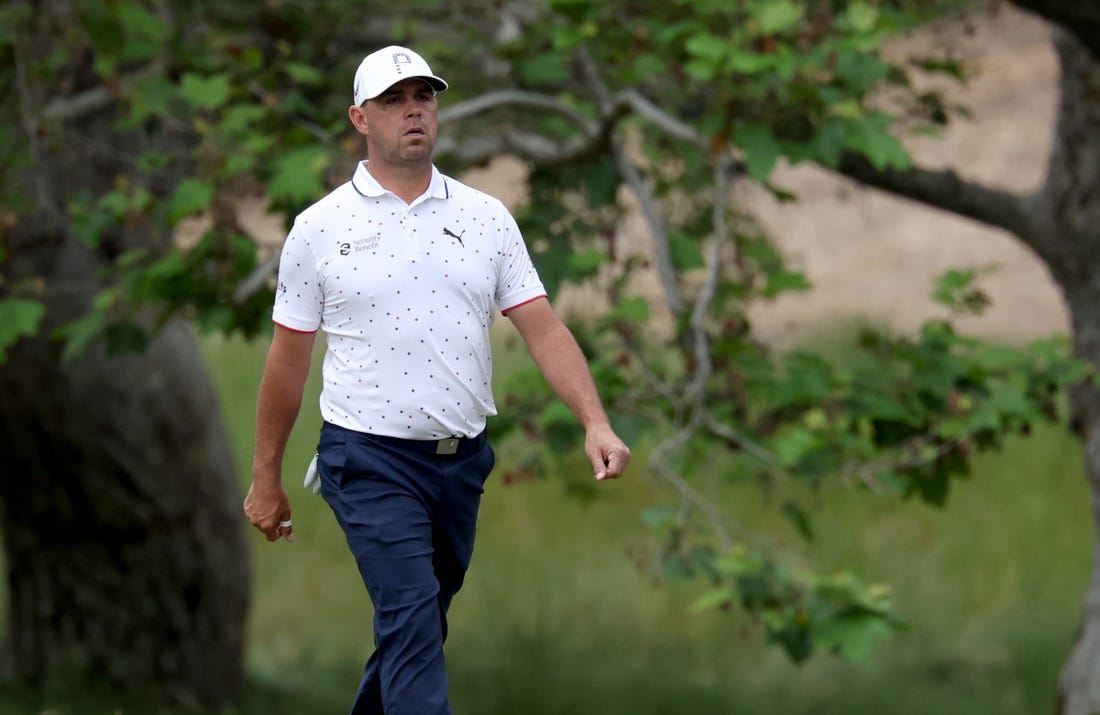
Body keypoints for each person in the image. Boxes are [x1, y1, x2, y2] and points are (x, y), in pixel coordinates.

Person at [243, 45, 630, 714]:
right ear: (360, 118)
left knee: (413, 631)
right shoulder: (320, 228)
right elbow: (288, 361)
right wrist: (266, 477)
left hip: (460, 464)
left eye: (423, 96)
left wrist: (594, 419)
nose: (413, 110)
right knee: (414, 615)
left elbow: (542, 328)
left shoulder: (485, 218)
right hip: (367, 457)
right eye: (393, 100)